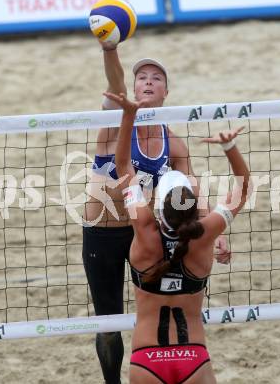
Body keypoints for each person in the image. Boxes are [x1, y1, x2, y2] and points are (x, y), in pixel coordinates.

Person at [82, 43, 230, 384]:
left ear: (166, 90)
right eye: (142, 78)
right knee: (107, 325)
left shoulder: (174, 143)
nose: (148, 82)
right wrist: (109, 49)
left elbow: (193, 193)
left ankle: (165, 367)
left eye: (156, 78)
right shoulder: (112, 124)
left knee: (158, 311)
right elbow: (114, 83)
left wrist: (214, 234)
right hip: (102, 234)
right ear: (133, 89)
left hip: (146, 235)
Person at [105, 91, 251, 384]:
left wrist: (129, 117)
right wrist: (230, 147)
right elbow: (242, 189)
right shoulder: (204, 235)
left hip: (146, 359)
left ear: (158, 209)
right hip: (193, 357)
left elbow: (122, 166)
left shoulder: (145, 229)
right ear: (194, 209)